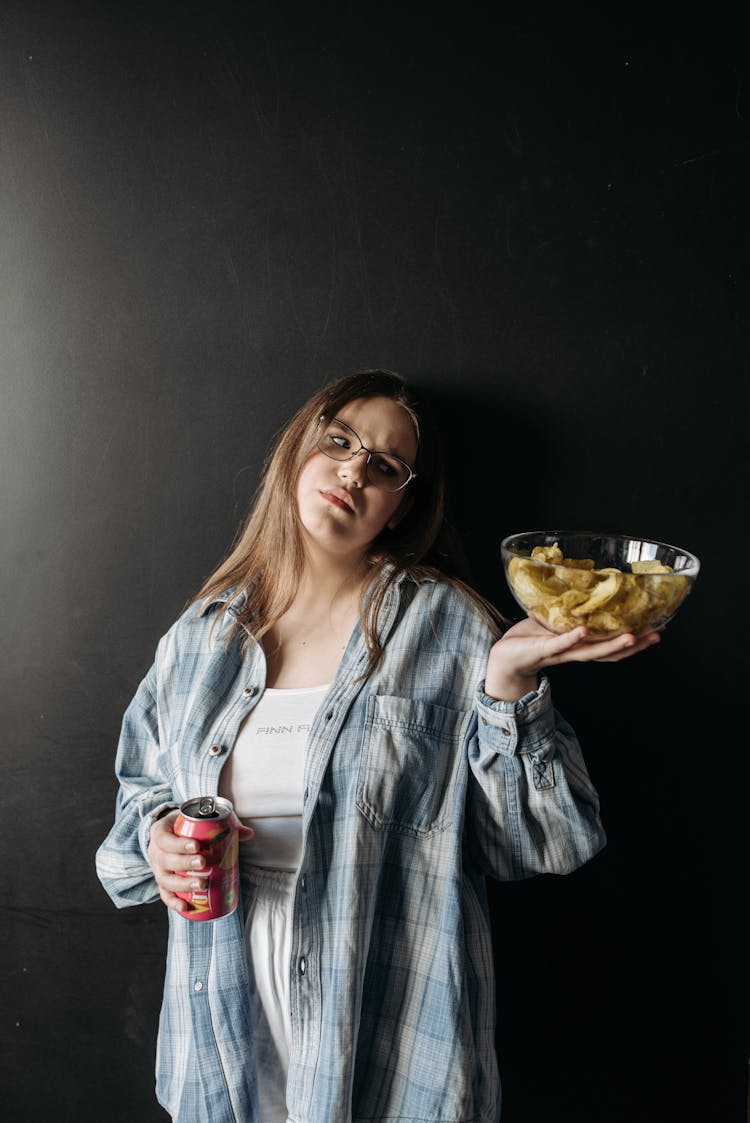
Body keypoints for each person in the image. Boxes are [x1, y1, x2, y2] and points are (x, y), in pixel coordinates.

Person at [96, 369, 659, 1123]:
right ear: (301, 449)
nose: (355, 469)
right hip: (222, 1044)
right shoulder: (199, 639)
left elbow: (547, 841)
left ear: (401, 505)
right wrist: (159, 839)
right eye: (341, 441)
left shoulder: (450, 626)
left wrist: (509, 689)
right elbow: (134, 824)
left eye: (386, 466)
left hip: (392, 1055)